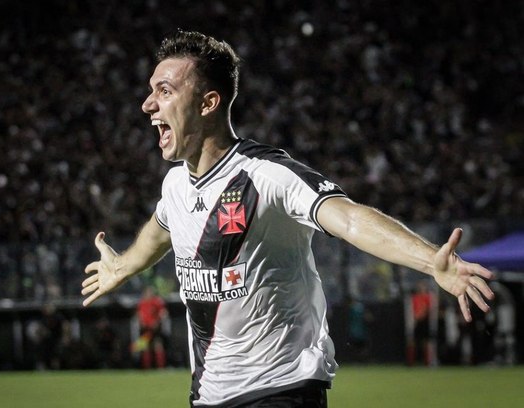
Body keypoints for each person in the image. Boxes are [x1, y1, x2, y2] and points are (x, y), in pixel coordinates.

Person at [81, 30, 495, 408]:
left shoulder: (266, 175)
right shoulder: (175, 185)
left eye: (165, 91)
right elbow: (159, 231)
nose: (148, 104)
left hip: (280, 389)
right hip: (209, 395)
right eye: (151, 91)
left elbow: (349, 219)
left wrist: (430, 261)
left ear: (208, 103)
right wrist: (124, 264)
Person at [132, 285, 169, 369]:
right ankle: (147, 368)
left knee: (158, 346)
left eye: (150, 292)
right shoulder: (141, 302)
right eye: (148, 292)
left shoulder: (156, 302)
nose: (149, 293)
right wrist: (141, 322)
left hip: (155, 329)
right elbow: (139, 314)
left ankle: (160, 367)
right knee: (145, 347)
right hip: (145, 329)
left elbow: (163, 313)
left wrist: (158, 321)